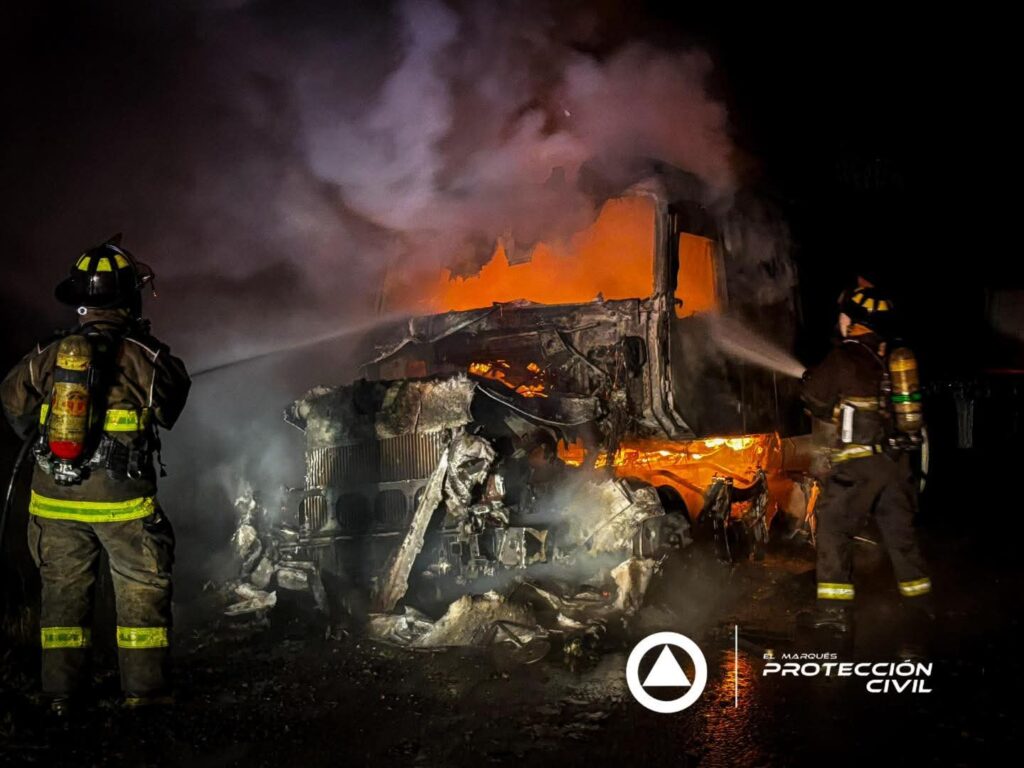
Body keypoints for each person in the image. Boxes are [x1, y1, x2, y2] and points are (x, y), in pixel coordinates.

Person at [1, 236, 190, 713]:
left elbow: (12, 400)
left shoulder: (48, 353)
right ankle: (145, 695)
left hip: (54, 501)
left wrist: (47, 436)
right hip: (123, 506)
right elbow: (171, 405)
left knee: (62, 598)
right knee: (141, 592)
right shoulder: (146, 357)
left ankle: (62, 696)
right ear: (129, 298)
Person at [799, 284, 931, 633]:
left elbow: (814, 397)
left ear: (854, 321)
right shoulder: (891, 356)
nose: (840, 321)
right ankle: (919, 605)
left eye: (845, 316)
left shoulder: (846, 355)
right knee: (900, 535)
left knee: (833, 528)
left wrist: (810, 381)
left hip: (858, 467)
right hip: (895, 464)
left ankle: (833, 613)